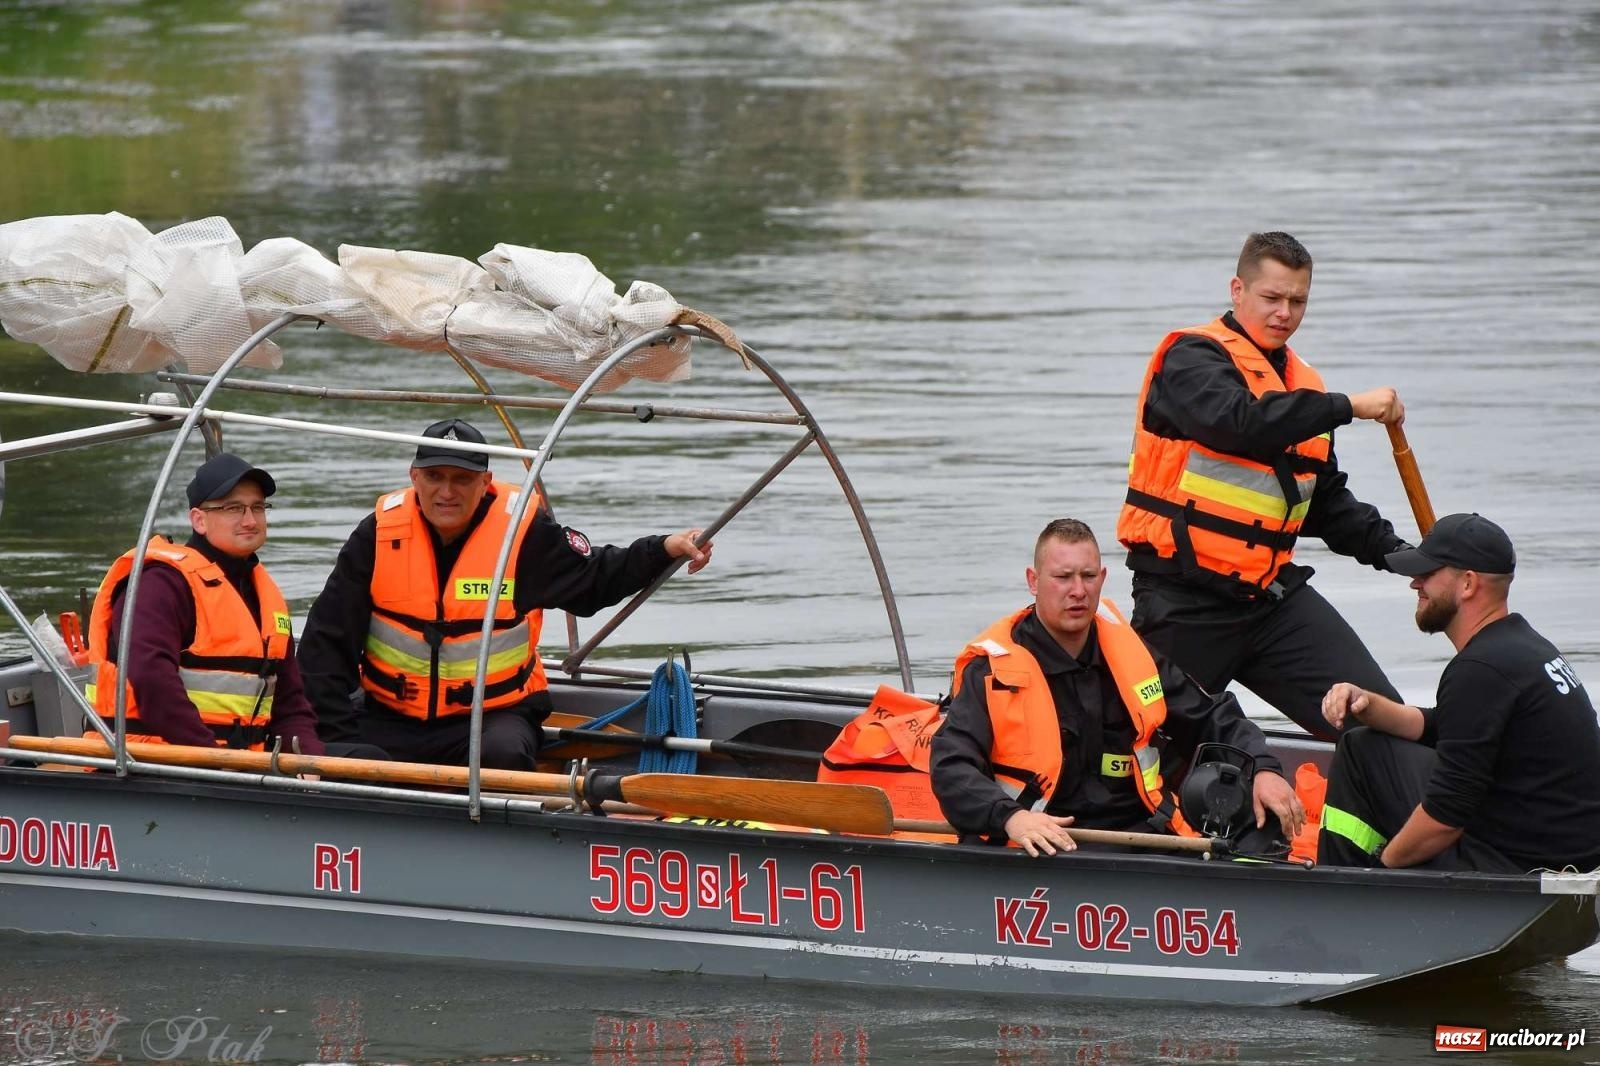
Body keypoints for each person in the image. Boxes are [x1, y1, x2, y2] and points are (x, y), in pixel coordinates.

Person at [1116, 230, 1414, 741]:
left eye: (1298, 301)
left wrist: (1404, 555)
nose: (1285, 313)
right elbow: (1238, 422)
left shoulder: (1305, 386)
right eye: (1271, 297)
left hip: (1273, 603)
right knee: (1144, 745)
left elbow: (1325, 504)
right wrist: (1349, 406)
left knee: (1383, 725)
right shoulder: (1190, 357)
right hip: (1184, 603)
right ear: (1238, 291)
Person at [297, 418, 713, 770]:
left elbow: (594, 579)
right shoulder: (376, 536)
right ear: (414, 477)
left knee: (504, 753)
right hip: (389, 715)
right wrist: (335, 734)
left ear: (486, 482)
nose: (447, 492)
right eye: (435, 477)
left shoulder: (523, 534)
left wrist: (663, 548)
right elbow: (325, 645)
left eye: (462, 479)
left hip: (494, 717)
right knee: (348, 755)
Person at [928, 518, 1304, 857]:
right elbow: (951, 766)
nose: (1078, 590)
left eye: (1088, 576)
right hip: (1040, 846)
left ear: (1103, 579)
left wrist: (1264, 770)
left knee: (1262, 828)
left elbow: (1211, 716)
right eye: (1063, 577)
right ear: (1033, 581)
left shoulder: (1130, 654)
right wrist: (1011, 818)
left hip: (1143, 837)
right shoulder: (992, 671)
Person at [1317, 514, 1600, 872]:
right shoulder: (1527, 647)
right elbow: (1448, 725)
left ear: (1467, 584)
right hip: (1562, 850)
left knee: (1360, 754)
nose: (1415, 584)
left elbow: (1445, 817)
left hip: (1519, 867)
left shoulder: (1479, 669)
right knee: (1367, 738)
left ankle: (1341, 893)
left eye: (1428, 573)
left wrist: (1382, 868)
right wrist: (1370, 705)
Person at [85, 453, 380, 759]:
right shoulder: (162, 584)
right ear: (199, 520)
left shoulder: (262, 593)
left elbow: (290, 702)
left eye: (257, 507)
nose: (250, 520)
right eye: (233, 508)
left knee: (370, 760)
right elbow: (151, 681)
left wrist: (306, 760)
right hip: (157, 762)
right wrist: (215, 760)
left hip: (240, 760)